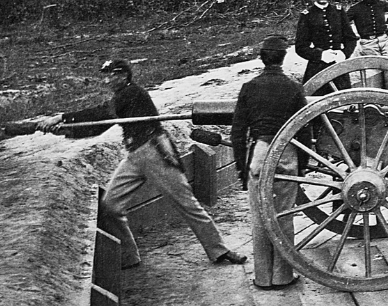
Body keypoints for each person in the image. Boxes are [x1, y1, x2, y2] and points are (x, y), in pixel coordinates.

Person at [36, 59, 246, 270]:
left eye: (112, 75)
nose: (107, 80)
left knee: (186, 203)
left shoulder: (132, 93)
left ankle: (220, 250)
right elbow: (98, 127)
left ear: (124, 76)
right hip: (135, 155)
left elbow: (101, 113)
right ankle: (128, 256)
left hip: (155, 152)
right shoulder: (122, 96)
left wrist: (61, 118)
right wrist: (65, 130)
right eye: (106, 75)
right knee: (111, 205)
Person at [231, 35, 307, 289]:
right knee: (283, 214)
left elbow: (238, 132)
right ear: (284, 58)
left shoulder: (249, 88)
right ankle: (283, 276)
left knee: (259, 216)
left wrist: (243, 169)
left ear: (261, 58)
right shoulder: (294, 87)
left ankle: (263, 277)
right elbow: (304, 129)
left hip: (260, 153)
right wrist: (303, 166)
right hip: (286, 152)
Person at [295, 0, 357, 94]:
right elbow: (301, 47)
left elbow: (351, 38)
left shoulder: (338, 11)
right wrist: (320, 54)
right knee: (316, 100)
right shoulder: (307, 15)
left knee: (345, 99)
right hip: (317, 67)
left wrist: (344, 53)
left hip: (339, 64)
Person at [346, 0, 388, 87]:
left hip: (385, 42)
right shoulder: (355, 9)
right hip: (368, 45)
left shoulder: (381, 4)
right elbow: (344, 22)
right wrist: (351, 35)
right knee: (374, 73)